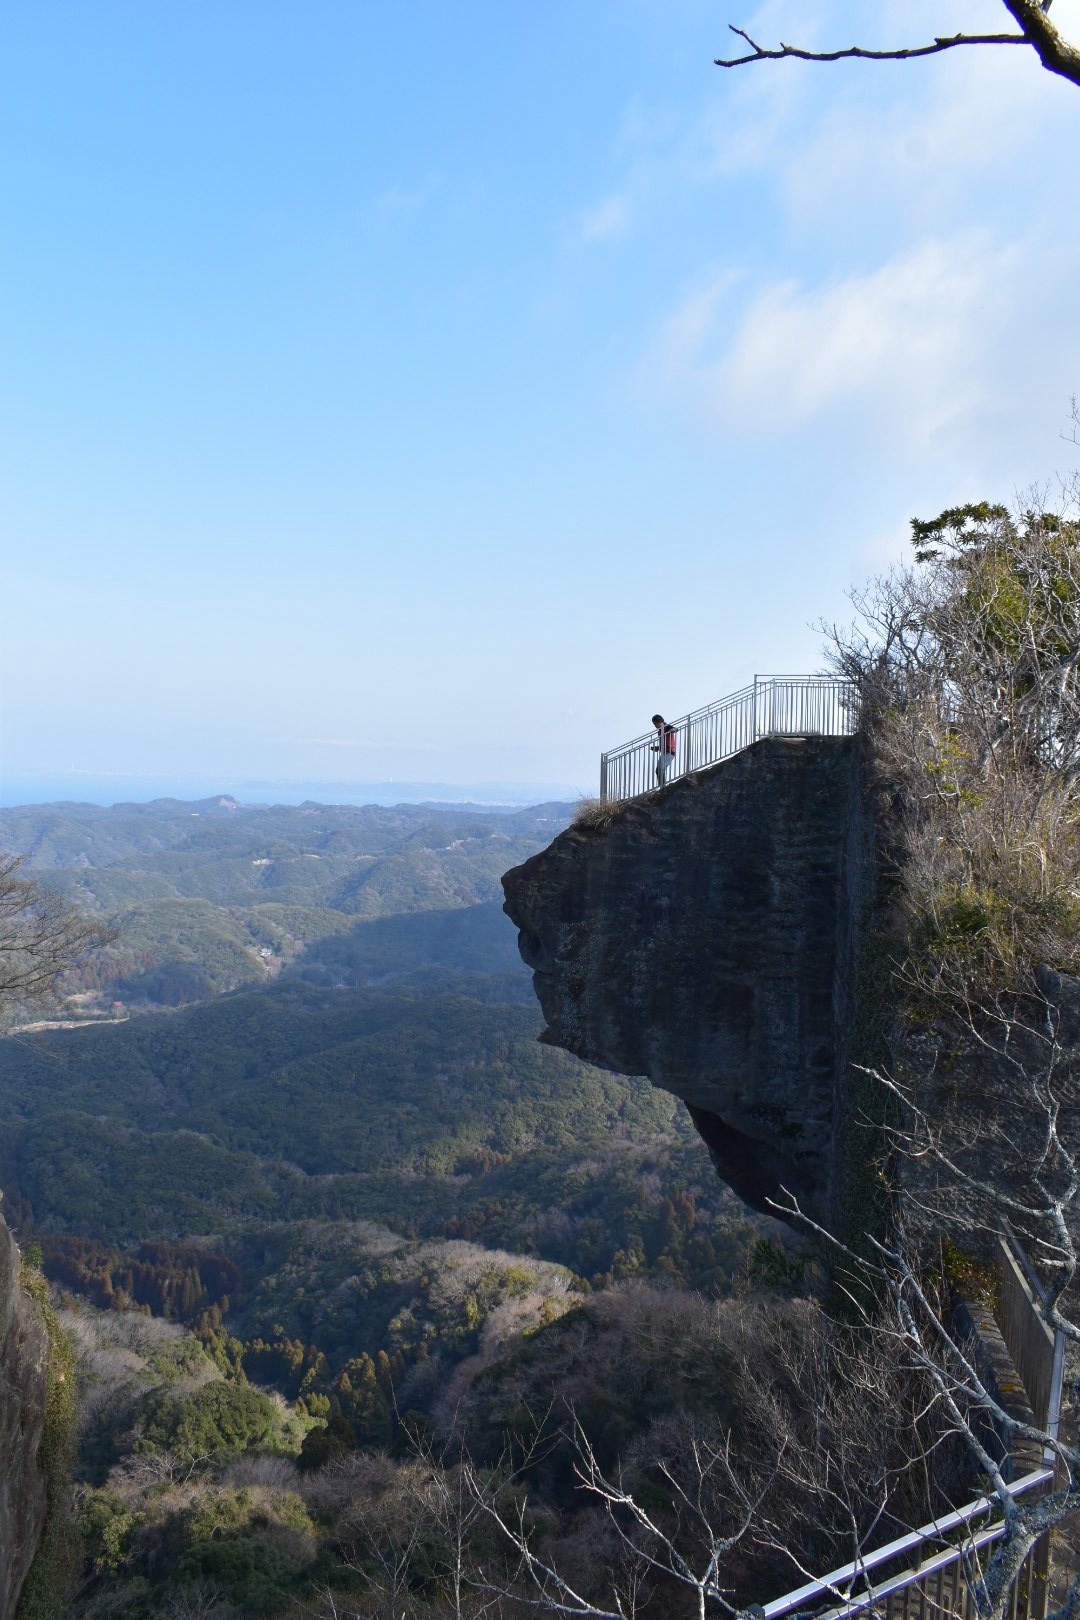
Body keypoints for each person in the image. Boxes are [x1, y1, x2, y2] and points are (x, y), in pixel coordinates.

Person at [651, 713, 677, 786]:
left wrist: (672, 730)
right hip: (664, 752)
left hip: (670, 752)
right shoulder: (660, 731)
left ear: (659, 722)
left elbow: (675, 729)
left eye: (655, 723)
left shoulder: (667, 727)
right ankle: (662, 787)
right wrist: (657, 748)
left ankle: (663, 787)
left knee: (660, 769)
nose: (655, 726)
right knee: (658, 770)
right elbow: (664, 743)